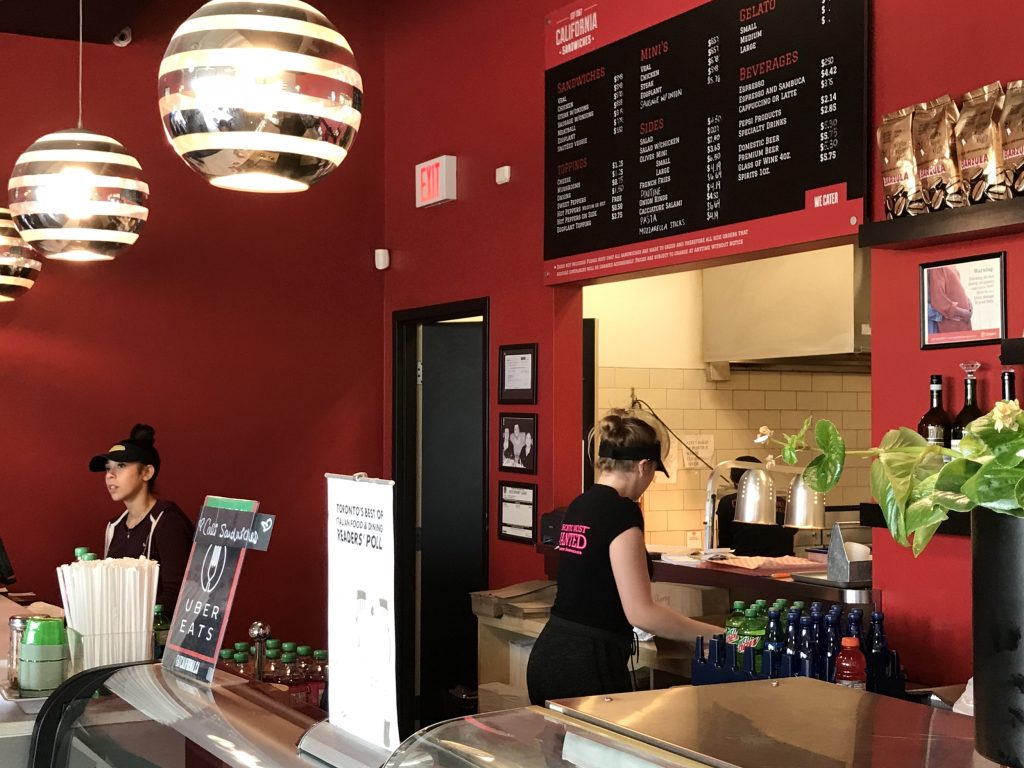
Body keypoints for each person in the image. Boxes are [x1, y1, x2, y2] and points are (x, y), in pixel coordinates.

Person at [527, 409, 723, 705]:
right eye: (654, 473)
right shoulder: (622, 511)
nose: (650, 482)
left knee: (562, 752)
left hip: (550, 655)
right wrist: (716, 635)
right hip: (586, 665)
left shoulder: (582, 503)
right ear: (644, 466)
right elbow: (641, 613)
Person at [90, 424, 195, 613]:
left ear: (147, 472)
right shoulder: (113, 527)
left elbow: (178, 594)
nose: (110, 476)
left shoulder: (167, 522)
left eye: (121, 466)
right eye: (107, 469)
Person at [715, 455, 796, 557]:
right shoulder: (783, 503)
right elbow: (791, 532)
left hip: (745, 565)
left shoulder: (727, 502)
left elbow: (725, 545)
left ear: (735, 481)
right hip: (784, 565)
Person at [928, 265, 973, 333]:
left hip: (963, 322)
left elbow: (956, 288)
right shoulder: (936, 268)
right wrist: (963, 313)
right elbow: (939, 301)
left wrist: (969, 303)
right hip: (953, 324)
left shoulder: (952, 265)